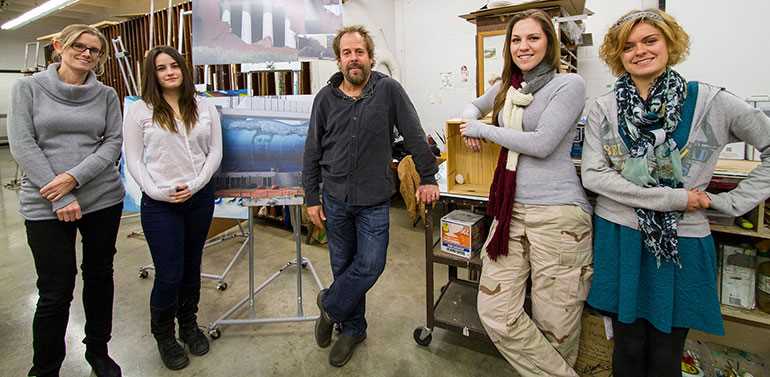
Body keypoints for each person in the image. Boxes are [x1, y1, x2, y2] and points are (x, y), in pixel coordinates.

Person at [581, 9, 770, 377]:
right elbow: (593, 175)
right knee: (627, 348)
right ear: (617, 55)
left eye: (650, 40)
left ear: (670, 43)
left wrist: (731, 203)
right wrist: (677, 199)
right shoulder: (603, 107)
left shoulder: (711, 102)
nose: (640, 51)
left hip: (680, 242)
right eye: (628, 46)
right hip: (619, 237)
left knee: (667, 353)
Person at [459, 9, 591, 377]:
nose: (523, 46)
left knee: (556, 326)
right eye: (516, 39)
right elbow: (476, 106)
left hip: (558, 216)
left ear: (549, 42)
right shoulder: (508, 86)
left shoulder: (569, 85)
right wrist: (470, 119)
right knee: (495, 312)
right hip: (510, 212)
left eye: (533, 38)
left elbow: (543, 143)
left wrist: (483, 130)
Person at [303, 25, 439, 367]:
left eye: (359, 52)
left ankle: (329, 305)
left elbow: (413, 133)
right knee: (343, 265)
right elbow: (312, 151)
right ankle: (353, 328)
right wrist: (311, 197)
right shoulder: (324, 99)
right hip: (334, 197)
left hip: (374, 200)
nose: (353, 59)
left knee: (370, 264)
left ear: (370, 57)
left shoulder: (388, 90)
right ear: (338, 60)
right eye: (347, 53)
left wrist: (427, 176)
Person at [7, 24, 124, 377]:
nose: (87, 53)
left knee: (100, 277)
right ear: (59, 47)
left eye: (95, 50)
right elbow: (22, 144)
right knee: (56, 290)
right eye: (80, 46)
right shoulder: (28, 88)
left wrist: (75, 178)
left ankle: (98, 352)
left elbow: (113, 143)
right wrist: (61, 196)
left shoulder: (106, 95)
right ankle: (45, 367)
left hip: (102, 198)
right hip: (45, 203)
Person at [123, 46, 222, 371]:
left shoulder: (204, 107)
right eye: (161, 67)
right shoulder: (140, 111)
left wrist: (196, 185)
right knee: (169, 274)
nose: (169, 71)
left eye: (174, 65)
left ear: (183, 69)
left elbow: (214, 153)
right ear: (152, 74)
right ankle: (164, 335)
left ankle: (188, 325)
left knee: (192, 267)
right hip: (160, 203)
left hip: (199, 199)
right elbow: (134, 159)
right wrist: (154, 191)